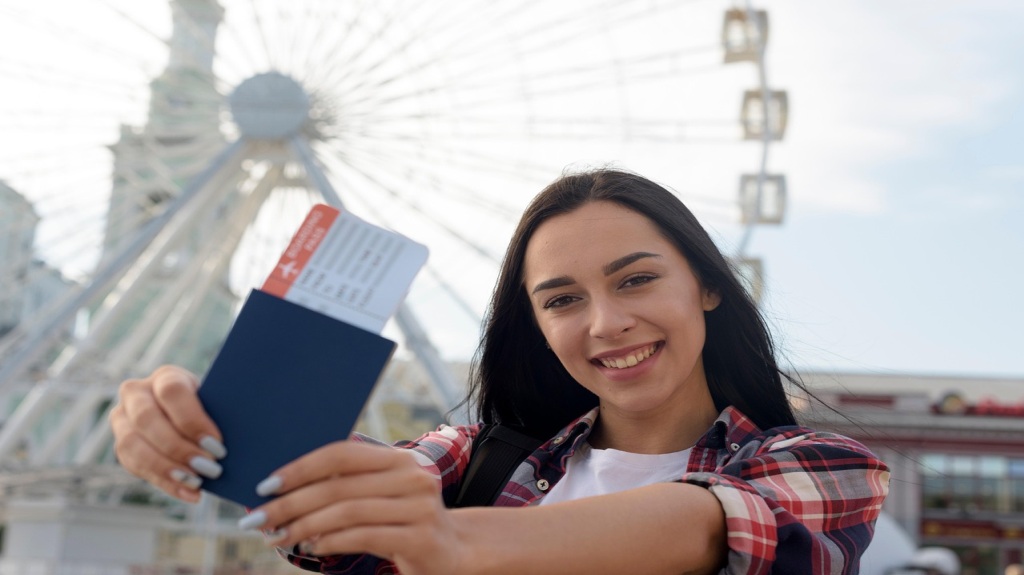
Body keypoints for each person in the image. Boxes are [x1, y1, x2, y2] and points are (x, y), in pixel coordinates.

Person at [110, 168, 890, 575]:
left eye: (636, 279)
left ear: (708, 286)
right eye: (562, 299)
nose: (605, 322)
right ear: (537, 325)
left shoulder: (826, 469)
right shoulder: (472, 460)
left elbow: (704, 523)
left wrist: (454, 544)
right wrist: (200, 425)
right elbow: (339, 487)